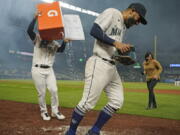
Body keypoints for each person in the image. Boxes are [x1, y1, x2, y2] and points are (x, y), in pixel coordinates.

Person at [66, 3, 147, 135]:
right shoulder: (113, 12)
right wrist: (116, 43)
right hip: (99, 63)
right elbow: (94, 30)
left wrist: (123, 54)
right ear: (133, 11)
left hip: (111, 66)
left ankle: (94, 131)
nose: (138, 23)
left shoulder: (123, 27)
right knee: (87, 103)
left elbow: (113, 46)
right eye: (139, 18)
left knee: (117, 101)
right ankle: (70, 132)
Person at [27, 11, 70, 121]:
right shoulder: (38, 38)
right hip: (37, 69)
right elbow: (29, 31)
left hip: (49, 70)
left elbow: (60, 50)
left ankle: (55, 111)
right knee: (41, 93)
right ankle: (44, 112)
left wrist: (64, 42)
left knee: (54, 90)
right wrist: (35, 18)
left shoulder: (55, 43)